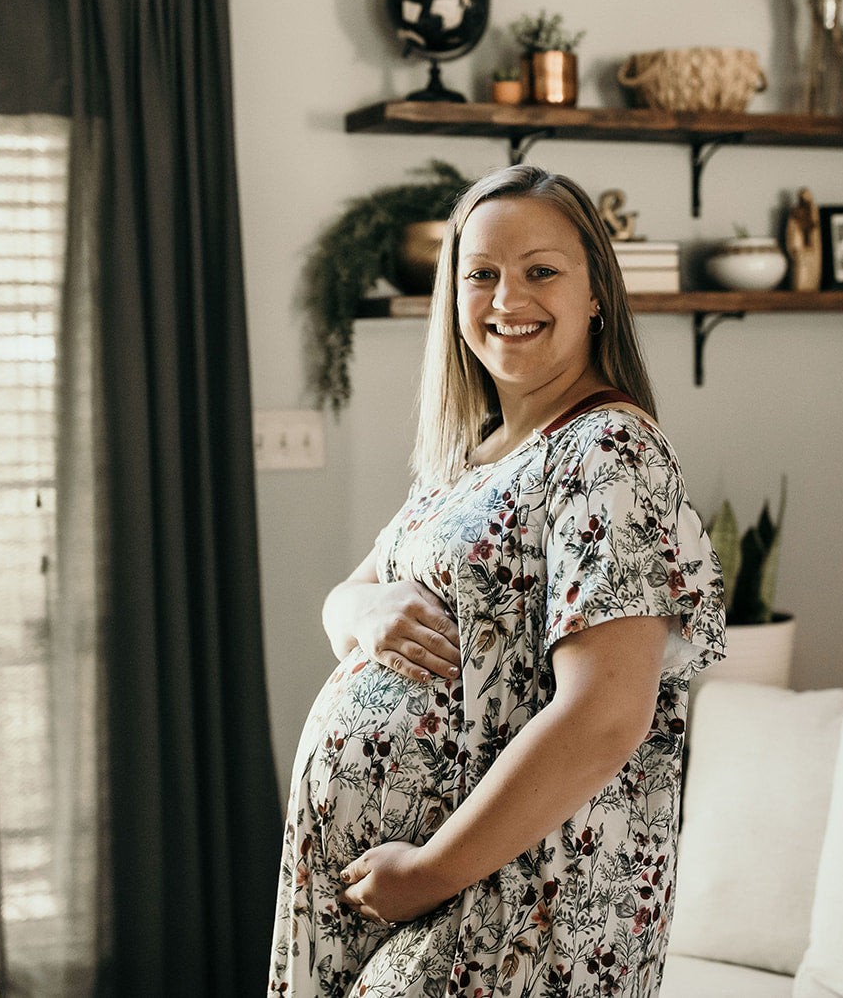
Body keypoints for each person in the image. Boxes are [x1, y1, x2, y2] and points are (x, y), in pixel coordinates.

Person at [269, 165, 726, 997]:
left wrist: (428, 873)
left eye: (540, 270)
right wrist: (367, 610)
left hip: (513, 906)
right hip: (412, 897)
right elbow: (344, 600)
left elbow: (604, 715)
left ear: (596, 293)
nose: (507, 297)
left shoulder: (607, 450)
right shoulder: (467, 458)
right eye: (480, 273)